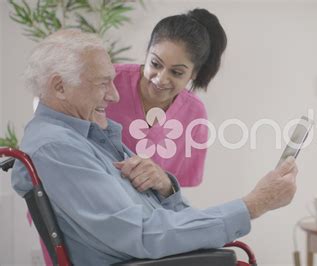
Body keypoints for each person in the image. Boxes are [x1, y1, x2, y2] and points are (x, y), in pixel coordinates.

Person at [11, 29, 298, 266]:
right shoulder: (57, 148)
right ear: (59, 87)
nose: (114, 94)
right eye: (103, 83)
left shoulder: (91, 135)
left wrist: (165, 188)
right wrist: (252, 205)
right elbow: (141, 234)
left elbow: (163, 222)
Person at [106, 8, 226, 187]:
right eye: (155, 63)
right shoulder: (108, 80)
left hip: (144, 210)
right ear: (147, 53)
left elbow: (174, 189)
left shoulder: (194, 114)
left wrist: (163, 181)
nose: (161, 79)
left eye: (176, 72)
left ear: (194, 73)